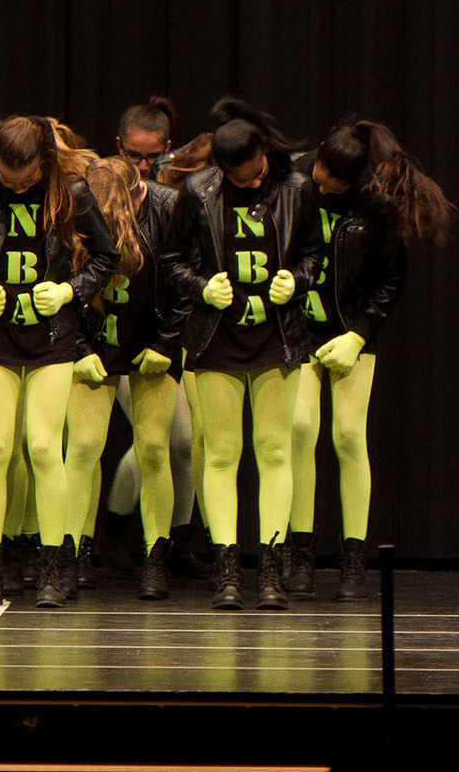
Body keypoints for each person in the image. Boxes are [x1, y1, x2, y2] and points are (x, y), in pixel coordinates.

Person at [0, 116, 118, 608]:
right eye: (9, 179)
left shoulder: (71, 191)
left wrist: (70, 291)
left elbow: (107, 257)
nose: (18, 187)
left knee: (43, 447)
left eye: (27, 179)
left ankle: (52, 565)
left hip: (52, 336)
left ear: (44, 162)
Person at [160, 98, 321, 611]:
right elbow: (171, 258)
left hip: (277, 337)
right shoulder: (198, 192)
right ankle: (226, 568)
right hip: (217, 338)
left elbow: (314, 254)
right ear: (221, 169)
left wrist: (298, 279)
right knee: (222, 453)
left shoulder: (296, 188)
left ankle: (270, 569)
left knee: (274, 451)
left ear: (265, 154)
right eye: (242, 178)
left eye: (258, 173)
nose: (254, 183)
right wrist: (201, 287)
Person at [289, 117, 455, 599]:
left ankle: (353, 559)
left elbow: (391, 279)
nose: (322, 179)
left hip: (350, 330)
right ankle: (300, 555)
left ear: (357, 178)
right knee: (299, 430)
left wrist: (359, 336)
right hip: (298, 328)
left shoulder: (378, 203)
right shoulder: (294, 180)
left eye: (335, 179)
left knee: (347, 435)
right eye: (321, 167)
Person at [66, 155, 187, 599]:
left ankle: (156, 555)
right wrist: (79, 349)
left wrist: (168, 343)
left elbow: (188, 282)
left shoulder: (167, 207)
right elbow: (59, 285)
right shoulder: (77, 208)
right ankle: (72, 552)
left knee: (153, 446)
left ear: (140, 191)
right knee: (83, 447)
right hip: (97, 340)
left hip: (151, 338)